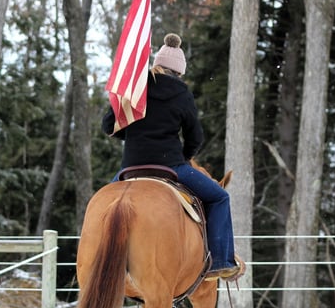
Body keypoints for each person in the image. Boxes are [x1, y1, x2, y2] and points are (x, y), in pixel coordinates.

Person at [102, 33, 244, 282]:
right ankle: (220, 262)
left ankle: (99, 260)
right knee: (220, 197)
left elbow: (109, 126)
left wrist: (136, 134)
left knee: (103, 208)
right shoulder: (182, 93)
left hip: (131, 168)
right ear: (179, 71)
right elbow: (195, 137)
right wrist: (185, 157)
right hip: (170, 166)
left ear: (157, 63)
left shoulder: (135, 87)